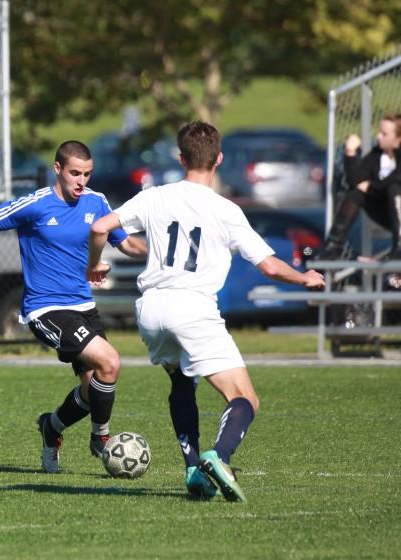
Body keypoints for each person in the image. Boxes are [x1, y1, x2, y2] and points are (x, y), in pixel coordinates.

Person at [86, 121, 325, 501]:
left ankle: (193, 468)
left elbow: (100, 227)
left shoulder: (155, 196)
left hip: (150, 309)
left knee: (182, 382)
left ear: (181, 159)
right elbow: (268, 265)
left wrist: (93, 266)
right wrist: (304, 277)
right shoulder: (225, 209)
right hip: (192, 307)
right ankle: (220, 456)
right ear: (219, 160)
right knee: (244, 398)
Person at [0, 140, 146, 474]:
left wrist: (159, 254)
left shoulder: (97, 202)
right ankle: (102, 438)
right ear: (58, 169)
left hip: (84, 306)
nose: (82, 181)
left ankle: (52, 427)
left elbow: (124, 242)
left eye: (88, 174)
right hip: (45, 308)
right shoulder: (38, 204)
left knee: (94, 384)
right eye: (75, 173)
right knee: (110, 361)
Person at [319, 113, 401, 261]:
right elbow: (357, 184)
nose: (378, 136)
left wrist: (371, 187)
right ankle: (333, 247)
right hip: (391, 214)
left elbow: (400, 178)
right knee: (355, 195)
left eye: (384, 134)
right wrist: (350, 153)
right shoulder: (377, 155)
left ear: (399, 138)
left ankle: (400, 250)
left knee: (395, 188)